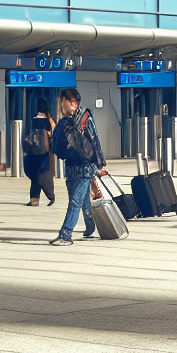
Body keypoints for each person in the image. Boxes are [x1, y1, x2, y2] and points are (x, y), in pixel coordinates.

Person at [49, 88, 104, 245]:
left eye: (63, 102)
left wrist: (99, 163)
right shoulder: (66, 120)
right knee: (83, 199)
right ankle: (90, 226)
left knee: (74, 201)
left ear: (71, 102)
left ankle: (66, 234)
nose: (61, 105)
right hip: (72, 167)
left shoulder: (85, 116)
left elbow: (94, 139)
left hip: (84, 168)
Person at [24, 99, 56, 206]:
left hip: (33, 152)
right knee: (43, 174)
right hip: (45, 152)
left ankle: (34, 199)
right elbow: (54, 133)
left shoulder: (32, 119)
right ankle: (50, 195)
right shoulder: (49, 120)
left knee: (34, 176)